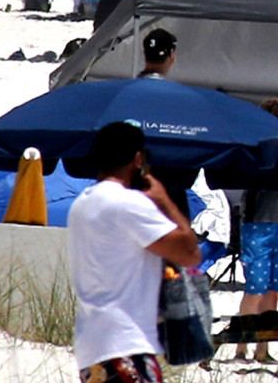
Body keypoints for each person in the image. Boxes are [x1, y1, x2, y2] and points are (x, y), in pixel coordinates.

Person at [67, 122, 200, 382]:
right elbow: (189, 253)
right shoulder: (129, 204)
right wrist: (163, 200)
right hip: (126, 344)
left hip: (92, 346)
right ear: (138, 159)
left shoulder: (82, 204)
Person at [233, 99, 278, 363]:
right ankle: (241, 344)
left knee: (273, 288)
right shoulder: (255, 147)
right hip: (258, 222)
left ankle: (263, 347)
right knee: (256, 287)